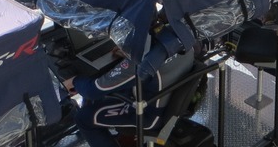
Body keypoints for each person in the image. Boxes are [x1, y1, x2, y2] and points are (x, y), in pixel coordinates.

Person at [64, 45, 194, 147]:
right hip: (167, 102)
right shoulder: (181, 36)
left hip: (149, 116)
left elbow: (92, 91)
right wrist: (129, 53)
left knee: (83, 118)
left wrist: (75, 81)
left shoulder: (143, 61)